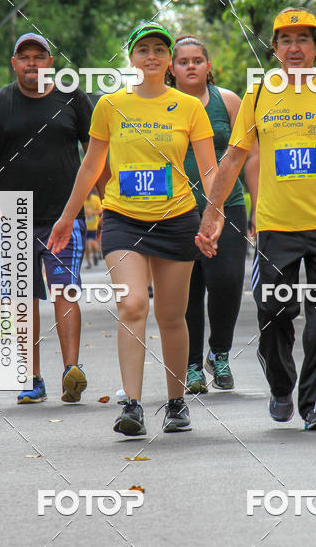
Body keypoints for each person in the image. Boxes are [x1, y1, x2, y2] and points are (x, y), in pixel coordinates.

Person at [196, 6, 316, 431]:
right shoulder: (260, 93)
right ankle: (281, 385)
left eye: (303, 40)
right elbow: (236, 154)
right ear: (275, 48)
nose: (294, 48)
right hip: (275, 227)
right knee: (274, 313)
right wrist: (213, 211)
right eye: (285, 40)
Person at [48, 21, 218, 436]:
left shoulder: (189, 107)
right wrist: (69, 215)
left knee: (171, 315)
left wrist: (215, 214)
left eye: (160, 50)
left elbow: (210, 169)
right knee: (132, 306)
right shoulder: (110, 105)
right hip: (123, 219)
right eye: (144, 50)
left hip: (178, 218)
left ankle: (177, 402)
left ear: (169, 61)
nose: (152, 57)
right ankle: (133, 405)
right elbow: (92, 165)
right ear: (131, 57)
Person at [0, 32, 96, 405]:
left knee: (64, 289)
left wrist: (109, 202)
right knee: (19, 300)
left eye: (39, 56)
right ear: (14, 64)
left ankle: (71, 372)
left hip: (64, 214)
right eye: (24, 57)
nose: (32, 63)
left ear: (50, 61)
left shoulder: (72, 98)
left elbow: (94, 154)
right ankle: (30, 378)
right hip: (14, 215)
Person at [169, 35, 259, 393]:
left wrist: (257, 204)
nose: (190, 66)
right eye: (183, 61)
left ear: (209, 67)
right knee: (187, 288)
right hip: (177, 210)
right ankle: (191, 366)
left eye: (197, 60)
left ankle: (219, 354)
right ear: (172, 70)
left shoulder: (229, 102)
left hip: (228, 206)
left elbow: (250, 155)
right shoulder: (163, 104)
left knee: (226, 281)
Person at [84, 187, 103, 267]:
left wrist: (93, 212)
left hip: (94, 226)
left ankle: (95, 255)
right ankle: (88, 261)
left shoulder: (95, 199)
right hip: (85, 226)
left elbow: (101, 210)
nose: (87, 195)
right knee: (86, 245)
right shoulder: (81, 200)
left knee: (93, 244)